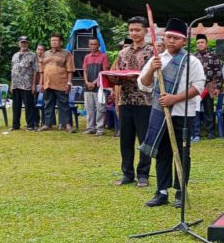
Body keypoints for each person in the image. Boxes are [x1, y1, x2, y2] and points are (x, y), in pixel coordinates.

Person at [138, 18, 206, 207]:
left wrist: (174, 98)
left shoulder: (192, 61)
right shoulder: (157, 59)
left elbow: (198, 87)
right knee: (162, 152)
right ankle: (161, 192)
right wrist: (151, 70)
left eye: (176, 38)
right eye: (168, 37)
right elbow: (143, 84)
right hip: (160, 113)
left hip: (183, 114)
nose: (171, 41)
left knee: (183, 152)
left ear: (184, 41)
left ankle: (180, 192)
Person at [113, 16, 155, 187]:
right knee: (125, 139)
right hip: (125, 100)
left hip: (145, 102)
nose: (134, 33)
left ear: (145, 31)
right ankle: (127, 173)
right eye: (131, 30)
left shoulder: (152, 53)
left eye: (137, 30)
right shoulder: (123, 53)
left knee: (144, 139)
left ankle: (143, 174)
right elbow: (117, 74)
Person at [38, 32, 75, 132]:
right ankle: (47, 124)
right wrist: (41, 83)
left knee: (64, 104)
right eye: (52, 40)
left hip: (61, 83)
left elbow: (70, 70)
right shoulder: (45, 54)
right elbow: (41, 71)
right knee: (48, 104)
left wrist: (69, 83)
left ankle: (67, 124)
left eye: (56, 40)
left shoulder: (66, 53)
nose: (53, 42)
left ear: (61, 42)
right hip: (47, 83)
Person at [192, 34, 222, 140]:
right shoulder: (193, 57)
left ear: (206, 44)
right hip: (196, 86)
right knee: (195, 110)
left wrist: (218, 87)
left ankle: (210, 132)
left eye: (202, 42)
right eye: (198, 43)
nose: (200, 44)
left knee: (209, 110)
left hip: (209, 85)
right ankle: (196, 133)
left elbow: (218, 72)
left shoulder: (213, 56)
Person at [10, 36, 39, 131]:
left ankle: (30, 125)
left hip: (27, 85)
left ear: (28, 43)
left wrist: (33, 85)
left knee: (29, 106)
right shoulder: (15, 55)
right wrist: (11, 84)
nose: (24, 44)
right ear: (18, 44)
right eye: (22, 42)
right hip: (16, 84)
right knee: (16, 106)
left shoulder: (32, 55)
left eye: (25, 42)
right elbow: (12, 70)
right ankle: (15, 125)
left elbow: (35, 71)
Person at [82, 38, 110, 135]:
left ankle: (99, 129)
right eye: (91, 44)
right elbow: (84, 71)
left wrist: (94, 82)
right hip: (88, 87)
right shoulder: (87, 57)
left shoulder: (104, 56)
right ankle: (90, 128)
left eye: (95, 44)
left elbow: (104, 72)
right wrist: (87, 82)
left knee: (100, 108)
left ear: (99, 45)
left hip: (99, 87)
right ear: (88, 45)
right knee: (89, 108)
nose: (93, 46)